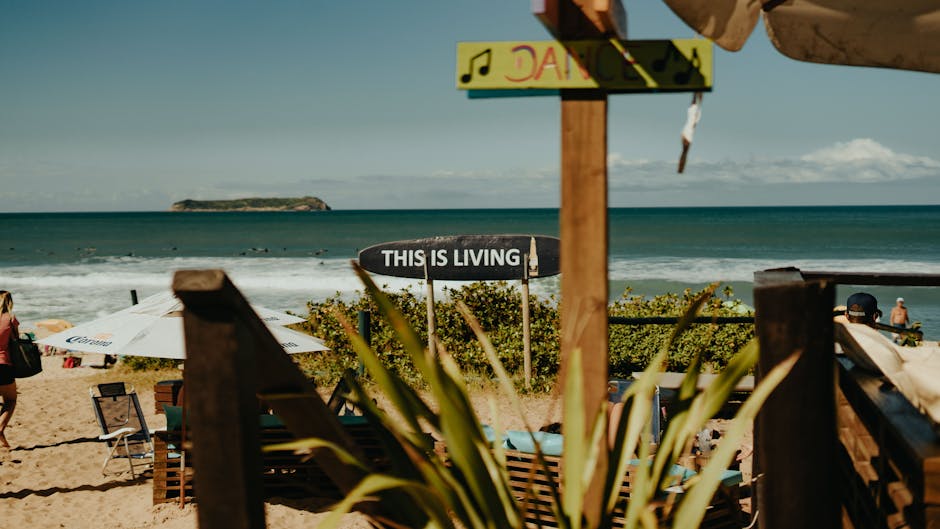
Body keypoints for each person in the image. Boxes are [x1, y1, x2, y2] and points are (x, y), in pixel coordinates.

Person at [0, 290, 19, 449]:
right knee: (10, 400)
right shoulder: (10, 318)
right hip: (3, 364)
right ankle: (0, 428)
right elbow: (16, 340)